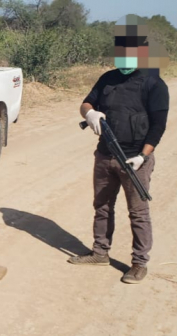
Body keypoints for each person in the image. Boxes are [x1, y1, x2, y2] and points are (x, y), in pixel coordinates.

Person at [69, 14, 170, 284]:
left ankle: (139, 263)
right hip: (105, 155)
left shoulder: (154, 84)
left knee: (138, 213)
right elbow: (86, 103)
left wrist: (143, 155)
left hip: (135, 159)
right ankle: (100, 252)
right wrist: (89, 114)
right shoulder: (107, 79)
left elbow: (158, 126)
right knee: (102, 205)